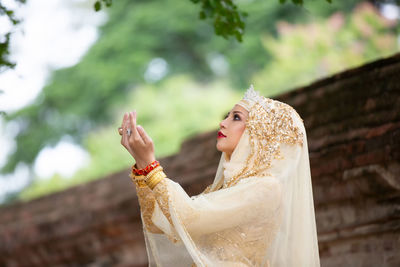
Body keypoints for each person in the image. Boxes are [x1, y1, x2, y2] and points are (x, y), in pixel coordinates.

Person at [119, 85, 320, 267]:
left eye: (236, 117)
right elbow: (162, 224)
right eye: (228, 116)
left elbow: (189, 217)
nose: (222, 123)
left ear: (259, 134)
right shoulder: (228, 186)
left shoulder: (267, 187)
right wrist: (143, 166)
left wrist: (150, 165)